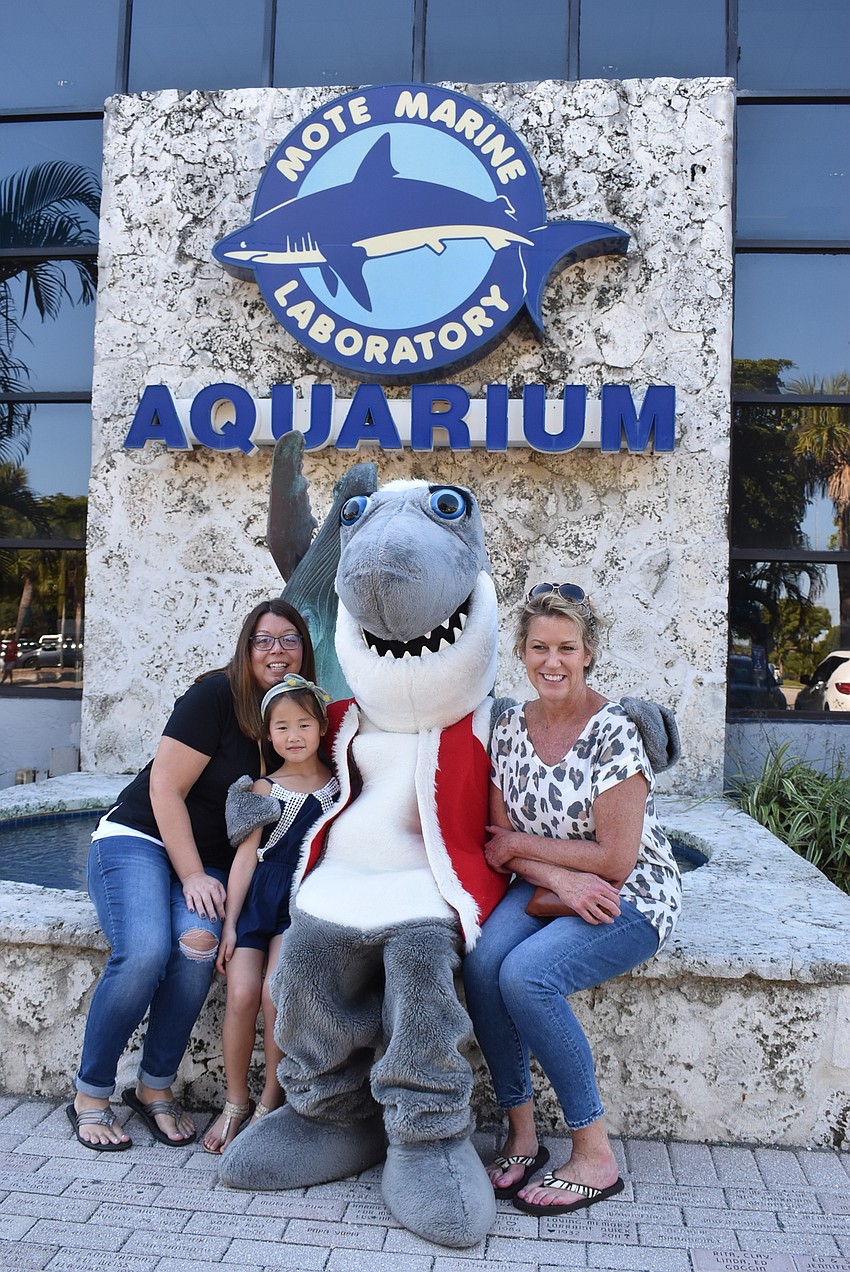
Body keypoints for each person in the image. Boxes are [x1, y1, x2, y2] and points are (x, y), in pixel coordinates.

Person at [462, 582, 681, 1215]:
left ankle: (594, 1155)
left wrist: (528, 853)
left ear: (588, 653)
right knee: (482, 962)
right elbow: (498, 842)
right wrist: (557, 877)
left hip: (630, 894)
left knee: (527, 976)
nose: (551, 661)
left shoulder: (616, 732)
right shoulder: (508, 725)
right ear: (522, 652)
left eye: (566, 648)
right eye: (539, 647)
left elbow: (615, 859)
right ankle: (522, 1134)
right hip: (548, 884)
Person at [67, 599, 315, 1151]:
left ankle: (153, 1087)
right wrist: (194, 876)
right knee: (145, 950)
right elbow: (164, 788)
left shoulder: (295, 716)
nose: (276, 650)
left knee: (198, 944)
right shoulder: (215, 697)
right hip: (139, 838)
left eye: (289, 639)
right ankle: (90, 1095)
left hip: (207, 862)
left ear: (305, 648)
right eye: (263, 640)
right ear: (246, 648)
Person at [203, 674, 339, 1154]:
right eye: (282, 727)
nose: (293, 735)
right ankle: (234, 1101)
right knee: (241, 993)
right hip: (259, 898)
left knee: (272, 995)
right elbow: (245, 860)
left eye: (304, 724)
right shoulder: (262, 788)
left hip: (299, 904)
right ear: (268, 733)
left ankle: (269, 1101)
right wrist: (230, 924)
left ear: (322, 728)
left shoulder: (339, 788)